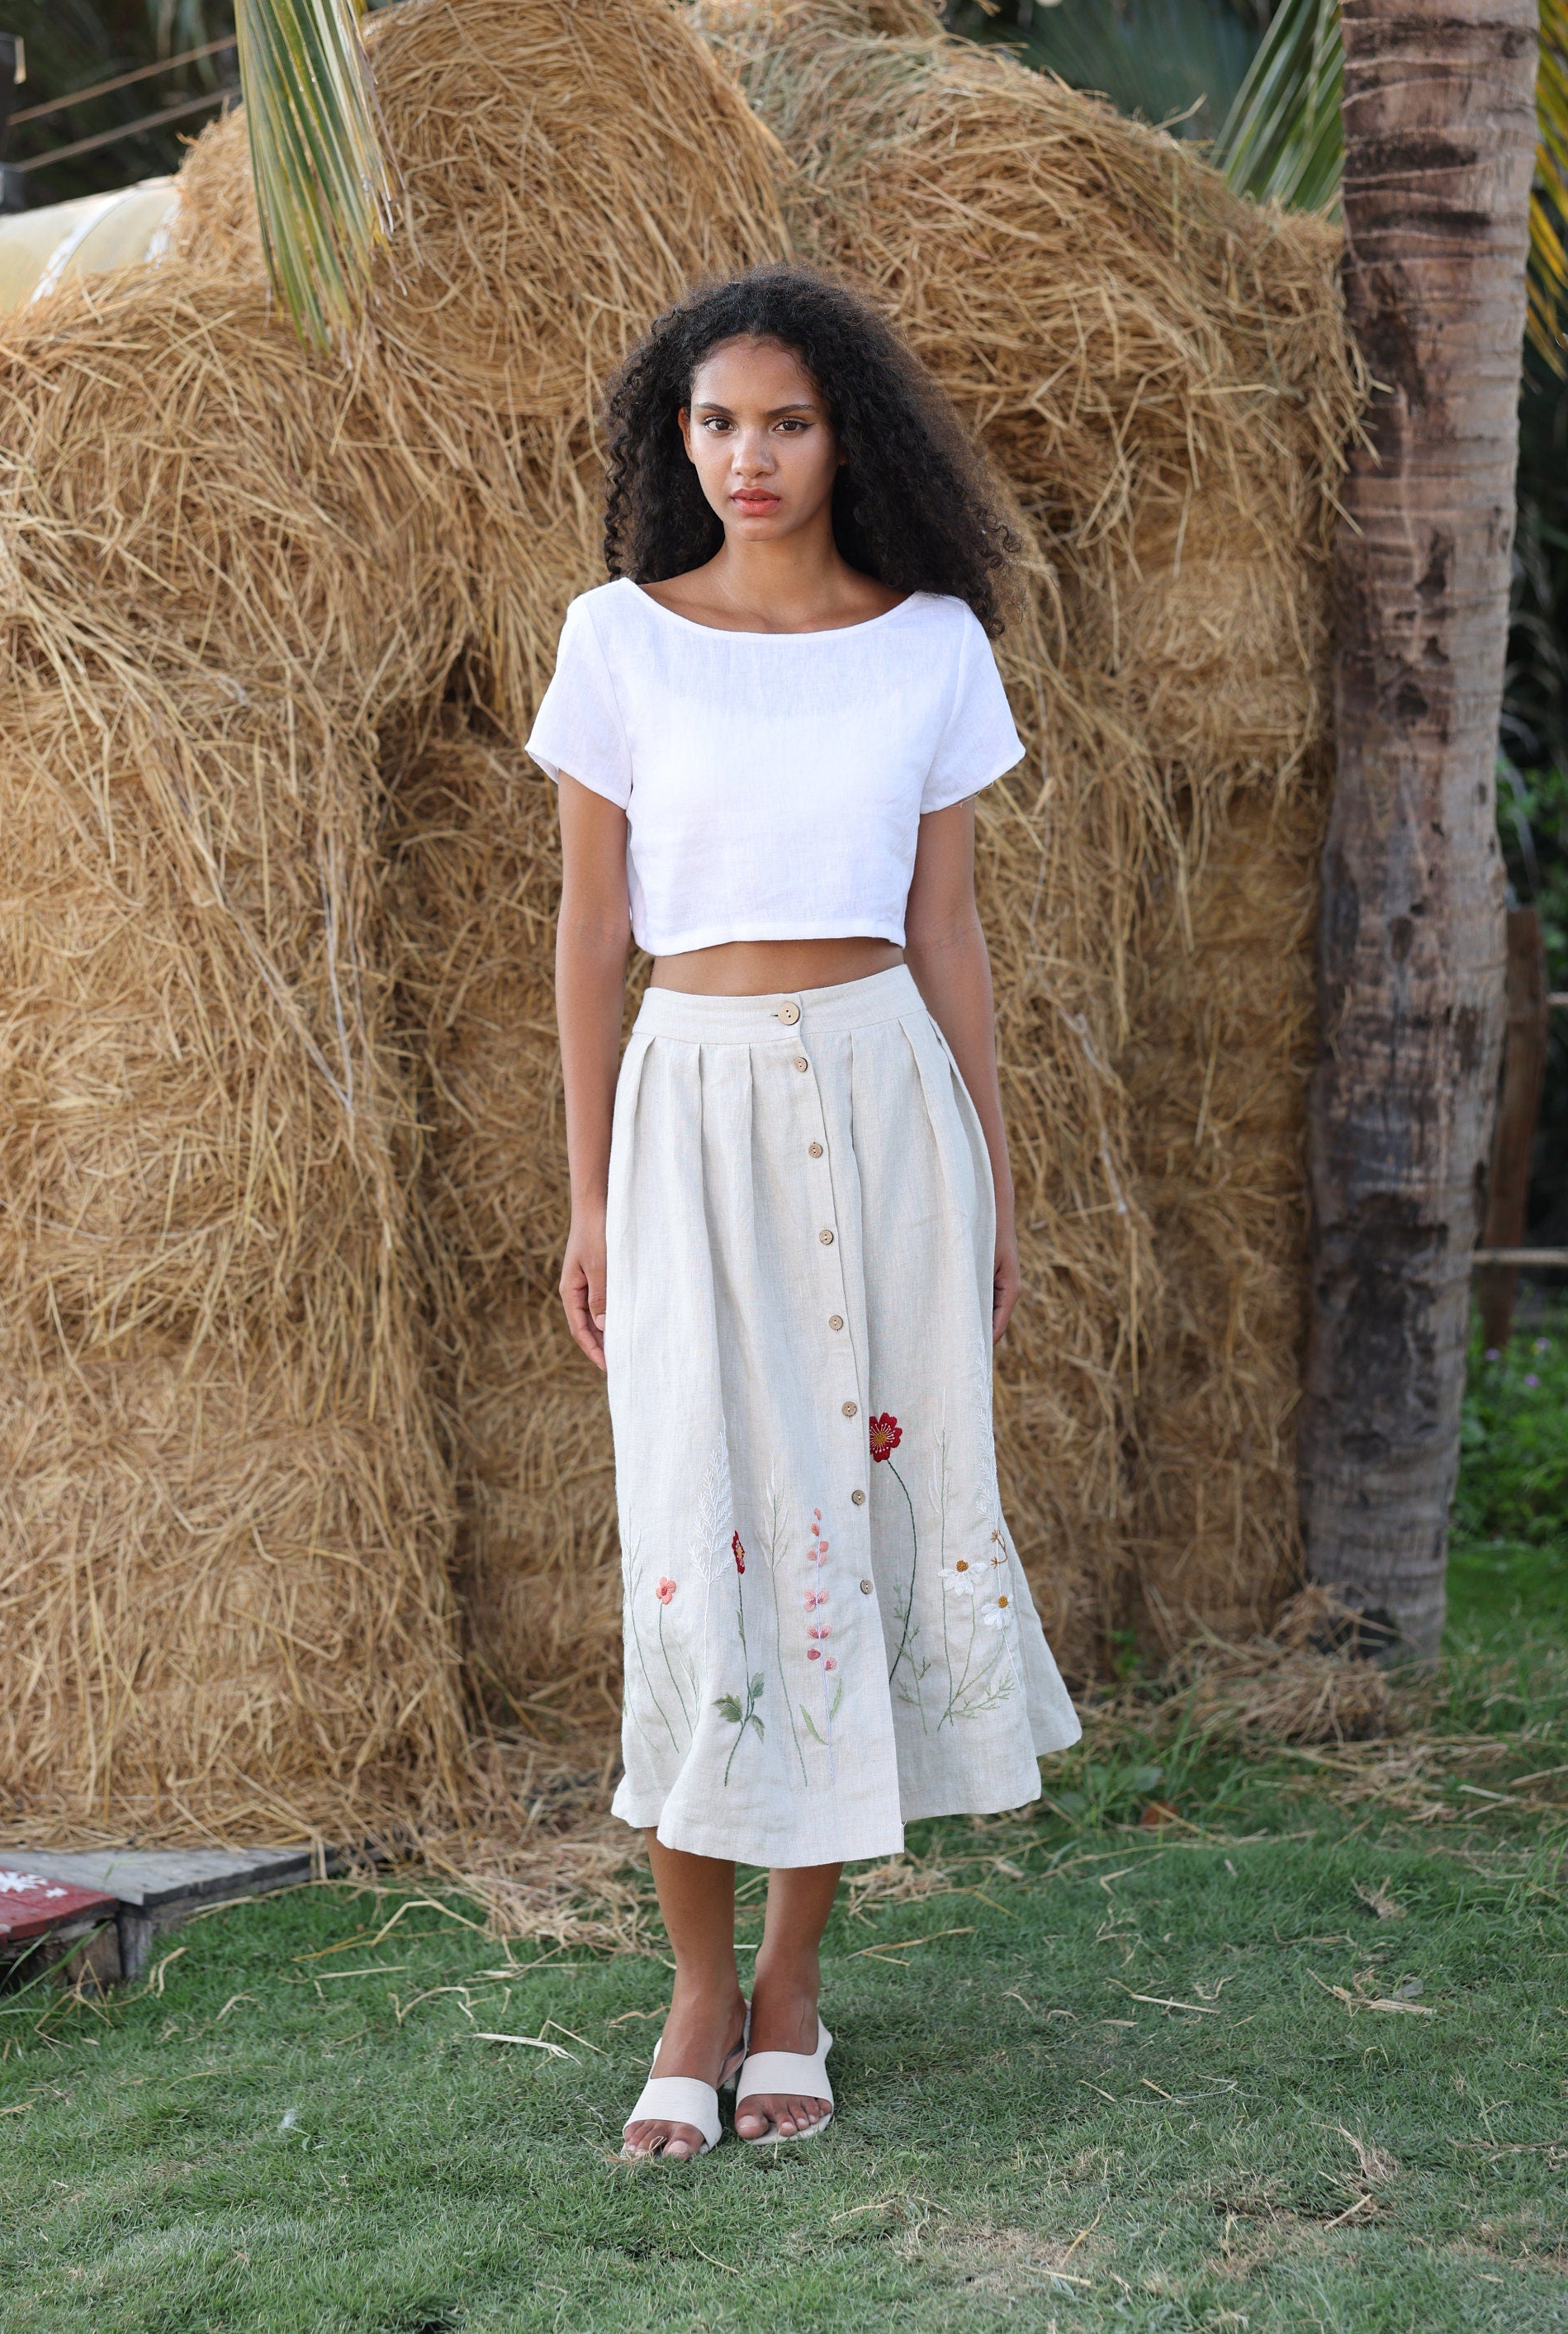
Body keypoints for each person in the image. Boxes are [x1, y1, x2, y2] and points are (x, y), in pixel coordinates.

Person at [525, 264, 1080, 2161]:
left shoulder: (930, 644)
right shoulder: (619, 638)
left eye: (781, 421)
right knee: (697, 1522)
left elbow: (949, 933)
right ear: (672, 442)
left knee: (841, 1529)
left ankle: (792, 1994)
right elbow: (592, 937)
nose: (744, 458)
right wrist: (588, 1191)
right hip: (687, 1109)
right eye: (710, 424)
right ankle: (692, 1990)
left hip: (884, 1102)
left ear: (848, 433)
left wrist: (993, 1184)